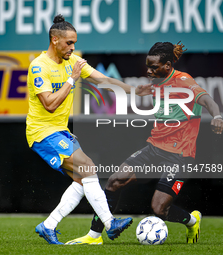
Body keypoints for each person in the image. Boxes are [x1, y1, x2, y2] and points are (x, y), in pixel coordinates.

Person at [66, 42, 223, 245]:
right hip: (154, 149)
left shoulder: (183, 80)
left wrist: (217, 115)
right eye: (147, 66)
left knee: (159, 209)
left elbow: (207, 100)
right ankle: (94, 237)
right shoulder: (156, 81)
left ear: (167, 65)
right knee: (114, 181)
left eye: (153, 67)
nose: (148, 71)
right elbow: (133, 90)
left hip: (180, 155)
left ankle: (192, 220)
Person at [26, 14, 152, 245]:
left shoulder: (71, 61)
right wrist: (72, 79)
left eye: (74, 43)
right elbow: (50, 105)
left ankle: (48, 225)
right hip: (42, 132)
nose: (73, 48)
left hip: (60, 131)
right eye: (68, 43)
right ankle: (109, 223)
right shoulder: (39, 66)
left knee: (83, 180)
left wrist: (134, 90)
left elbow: (103, 80)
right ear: (55, 40)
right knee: (88, 167)